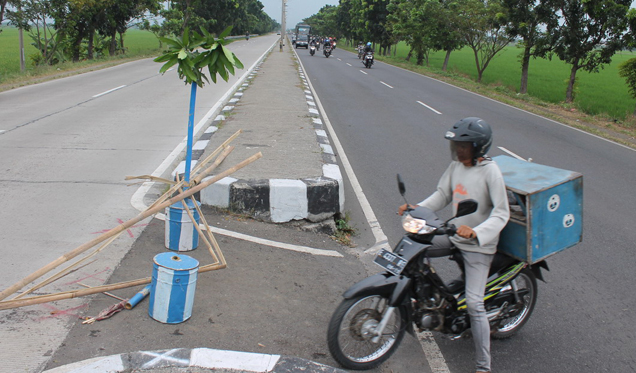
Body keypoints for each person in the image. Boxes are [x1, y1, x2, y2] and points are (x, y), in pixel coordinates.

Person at [398, 117, 510, 373]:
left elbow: (501, 214)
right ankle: (429, 300)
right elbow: (443, 194)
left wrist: (477, 232)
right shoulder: (456, 166)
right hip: (454, 235)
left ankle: (483, 366)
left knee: (474, 304)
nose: (458, 150)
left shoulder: (490, 172)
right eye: (456, 145)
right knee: (414, 246)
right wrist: (417, 209)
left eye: (463, 146)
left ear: (478, 147)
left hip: (479, 246)